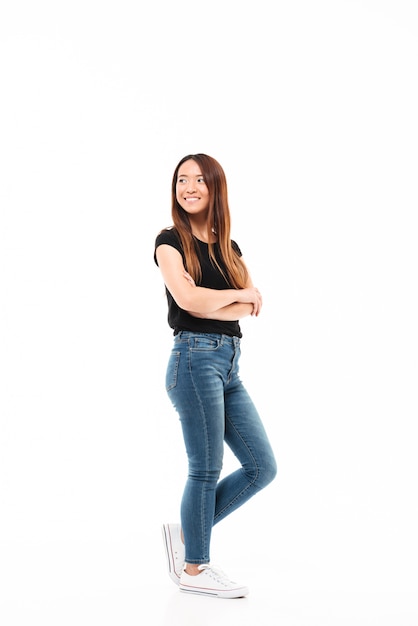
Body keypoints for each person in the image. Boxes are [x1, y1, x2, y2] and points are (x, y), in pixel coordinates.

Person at [154, 153, 277, 599]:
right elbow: (191, 303)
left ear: (215, 189)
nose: (189, 187)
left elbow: (252, 308)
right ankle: (194, 568)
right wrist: (239, 294)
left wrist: (232, 299)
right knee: (206, 469)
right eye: (181, 180)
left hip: (229, 362)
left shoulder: (230, 247)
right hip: (193, 359)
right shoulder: (169, 241)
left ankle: (188, 532)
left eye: (199, 180)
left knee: (262, 468)